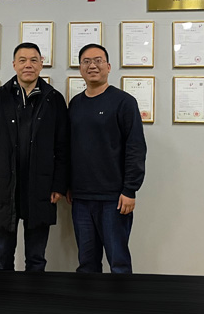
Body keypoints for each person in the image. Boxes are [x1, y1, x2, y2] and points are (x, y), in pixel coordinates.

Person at [0, 42, 69, 271]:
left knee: (36, 259)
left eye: (34, 60)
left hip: (41, 187)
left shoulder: (54, 99)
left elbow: (63, 147)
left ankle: (33, 295)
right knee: (2, 258)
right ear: (14, 64)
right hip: (3, 187)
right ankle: (3, 295)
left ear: (41, 64)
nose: (28, 65)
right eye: (23, 60)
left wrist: (59, 184)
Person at [67, 43, 147, 274]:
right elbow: (70, 147)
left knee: (118, 263)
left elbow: (135, 147)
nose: (92, 65)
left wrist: (130, 189)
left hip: (115, 198)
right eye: (86, 61)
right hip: (81, 199)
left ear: (108, 67)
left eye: (98, 60)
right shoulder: (75, 104)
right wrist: (68, 184)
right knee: (87, 264)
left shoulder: (124, 102)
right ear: (80, 69)